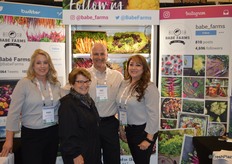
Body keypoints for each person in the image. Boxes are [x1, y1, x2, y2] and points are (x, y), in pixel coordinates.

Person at [0, 49, 61, 164]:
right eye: (38, 63)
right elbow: (13, 112)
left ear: (49, 65)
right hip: (32, 135)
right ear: (33, 65)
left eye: (45, 62)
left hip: (52, 133)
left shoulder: (55, 84)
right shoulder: (24, 83)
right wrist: (9, 140)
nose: (42, 66)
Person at [116, 54, 159, 164]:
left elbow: (153, 115)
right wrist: (121, 128)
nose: (133, 68)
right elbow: (121, 107)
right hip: (130, 130)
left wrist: (149, 139)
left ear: (144, 68)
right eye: (131, 65)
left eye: (138, 65)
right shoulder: (125, 83)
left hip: (143, 131)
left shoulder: (149, 87)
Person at [88, 43, 123, 164]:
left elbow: (121, 102)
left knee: (113, 159)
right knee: (92, 159)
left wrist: (122, 126)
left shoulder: (117, 76)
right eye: (96, 54)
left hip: (110, 124)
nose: (99, 57)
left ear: (107, 55)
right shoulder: (84, 75)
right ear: (90, 56)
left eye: (102, 54)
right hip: (90, 124)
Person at [58, 68, 101, 164]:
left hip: (90, 152)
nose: (84, 85)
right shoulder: (67, 104)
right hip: (78, 156)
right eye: (80, 82)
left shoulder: (88, 100)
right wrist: (75, 154)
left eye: (86, 81)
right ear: (72, 84)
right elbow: (66, 134)